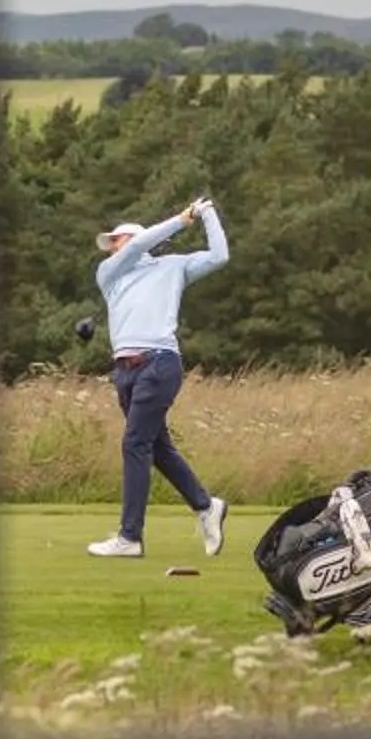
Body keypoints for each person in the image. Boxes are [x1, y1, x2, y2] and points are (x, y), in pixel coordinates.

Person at [86, 197, 229, 558]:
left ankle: (130, 537)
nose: (113, 248)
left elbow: (219, 256)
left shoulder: (172, 266)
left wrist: (206, 213)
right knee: (158, 449)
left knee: (134, 444)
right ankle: (205, 506)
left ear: (138, 239)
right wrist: (182, 219)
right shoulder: (108, 274)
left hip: (160, 363)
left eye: (116, 240)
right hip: (125, 372)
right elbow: (138, 245)